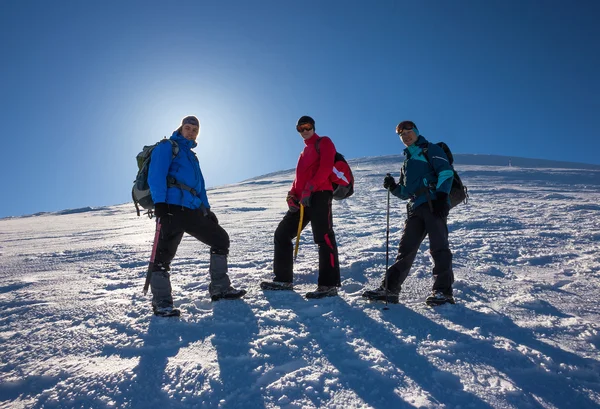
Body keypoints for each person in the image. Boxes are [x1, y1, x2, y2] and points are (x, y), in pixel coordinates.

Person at [147, 115, 246, 316]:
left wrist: (207, 210)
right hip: (171, 207)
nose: (191, 132)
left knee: (220, 239)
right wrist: (159, 204)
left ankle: (220, 289)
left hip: (192, 210)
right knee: (163, 256)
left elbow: (199, 187)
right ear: (181, 128)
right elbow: (156, 175)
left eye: (194, 129)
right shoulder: (168, 146)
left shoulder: (192, 157)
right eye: (188, 127)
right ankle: (162, 303)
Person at [362, 120, 456, 306]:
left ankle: (443, 292)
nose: (406, 136)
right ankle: (390, 289)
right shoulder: (407, 162)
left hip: (433, 203)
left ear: (416, 131)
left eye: (408, 132)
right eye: (402, 135)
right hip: (415, 208)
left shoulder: (431, 149)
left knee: (439, 247)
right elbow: (405, 193)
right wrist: (393, 187)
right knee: (405, 250)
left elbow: (446, 172)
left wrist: (441, 196)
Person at [261, 115, 341, 299]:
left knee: (324, 238)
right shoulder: (303, 153)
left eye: (307, 127)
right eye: (300, 128)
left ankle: (328, 285)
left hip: (320, 195)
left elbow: (326, 167)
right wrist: (291, 196)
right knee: (282, 234)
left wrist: (311, 188)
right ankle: (283, 280)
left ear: (313, 126)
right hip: (302, 200)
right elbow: (298, 181)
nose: (304, 131)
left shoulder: (324, 142)